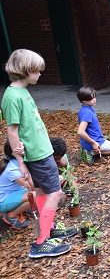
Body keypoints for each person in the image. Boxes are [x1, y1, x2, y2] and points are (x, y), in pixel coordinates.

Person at [1, 49, 76, 259]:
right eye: (37, 70)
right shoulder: (13, 96)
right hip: (38, 156)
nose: (40, 74)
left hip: (41, 153)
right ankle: (41, 242)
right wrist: (20, 162)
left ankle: (49, 229)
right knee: (55, 194)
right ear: (25, 70)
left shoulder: (21, 91)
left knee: (43, 192)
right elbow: (12, 131)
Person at [77, 86, 110, 163]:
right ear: (83, 100)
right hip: (95, 141)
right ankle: (92, 152)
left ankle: (90, 150)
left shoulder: (84, 109)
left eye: (94, 96)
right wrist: (93, 143)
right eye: (90, 98)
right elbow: (80, 132)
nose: (94, 100)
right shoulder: (87, 112)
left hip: (93, 140)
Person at [0, 141, 32, 230]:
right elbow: (29, 186)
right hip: (3, 201)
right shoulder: (12, 170)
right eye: (21, 147)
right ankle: (11, 216)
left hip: (13, 193)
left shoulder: (15, 162)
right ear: (14, 153)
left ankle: (25, 209)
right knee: (35, 195)